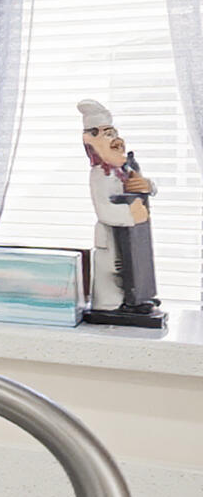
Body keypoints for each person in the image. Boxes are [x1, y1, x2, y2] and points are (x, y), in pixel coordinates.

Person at [80, 97, 165, 326]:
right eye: (107, 135)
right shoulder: (99, 175)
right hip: (111, 235)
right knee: (112, 275)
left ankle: (137, 299)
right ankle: (112, 306)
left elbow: (143, 185)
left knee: (134, 267)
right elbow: (103, 210)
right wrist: (130, 214)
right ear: (91, 141)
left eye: (114, 133)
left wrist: (147, 186)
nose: (116, 140)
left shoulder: (124, 168)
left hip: (129, 234)